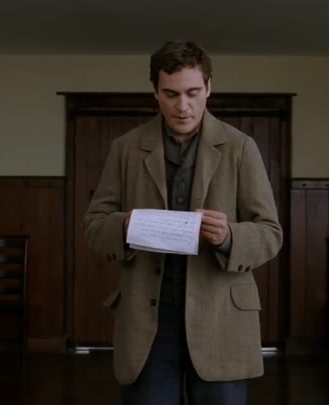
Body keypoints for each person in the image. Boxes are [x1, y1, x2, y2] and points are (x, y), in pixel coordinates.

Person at [83, 40, 283, 405]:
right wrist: (124, 226)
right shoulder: (125, 148)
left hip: (222, 320)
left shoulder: (241, 147)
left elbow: (270, 233)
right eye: (171, 94)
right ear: (155, 93)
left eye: (192, 93)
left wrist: (228, 236)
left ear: (209, 87)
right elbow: (94, 226)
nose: (182, 106)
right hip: (146, 324)